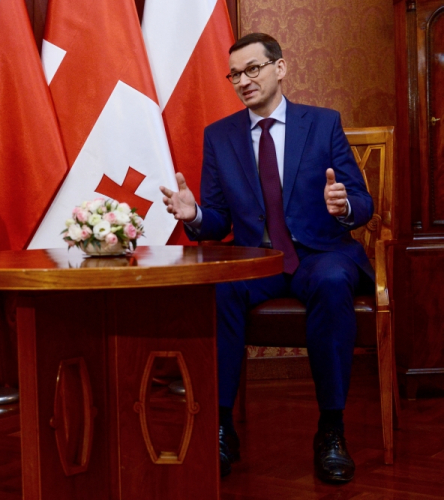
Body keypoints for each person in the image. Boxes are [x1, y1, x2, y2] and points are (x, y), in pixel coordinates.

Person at [160, 33, 374, 484]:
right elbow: (217, 222)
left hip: (318, 253)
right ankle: (220, 428)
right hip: (258, 261)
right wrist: (195, 213)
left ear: (280, 68)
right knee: (216, 286)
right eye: (235, 74)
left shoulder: (322, 123)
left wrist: (345, 205)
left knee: (334, 281)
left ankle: (331, 430)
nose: (243, 80)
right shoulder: (220, 137)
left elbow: (361, 200)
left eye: (252, 69)